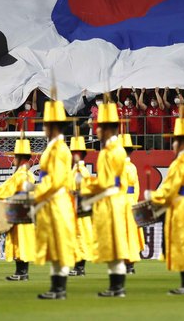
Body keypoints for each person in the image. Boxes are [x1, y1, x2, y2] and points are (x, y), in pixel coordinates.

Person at [146, 107, 184, 294]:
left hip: (181, 206)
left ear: (180, 143)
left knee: (182, 243)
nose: (172, 145)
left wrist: (152, 196)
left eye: (174, 141)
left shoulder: (179, 163)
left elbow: (170, 188)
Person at [81, 100, 134, 297]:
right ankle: (116, 286)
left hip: (111, 202)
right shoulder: (115, 150)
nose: (96, 131)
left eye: (99, 127)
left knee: (114, 244)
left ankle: (117, 287)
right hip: (113, 200)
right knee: (113, 245)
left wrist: (85, 186)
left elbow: (105, 182)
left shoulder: (110, 152)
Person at [31, 99, 76, 299]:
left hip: (56, 200)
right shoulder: (55, 147)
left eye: (46, 124)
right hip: (52, 200)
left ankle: (59, 288)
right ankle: (57, 288)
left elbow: (55, 180)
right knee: (55, 245)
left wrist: (36, 194)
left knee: (59, 244)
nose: (44, 128)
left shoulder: (58, 149)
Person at [0, 136, 36, 281]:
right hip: (27, 210)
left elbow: (5, 190)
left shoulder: (20, 175)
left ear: (20, 158)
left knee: (20, 241)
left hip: (19, 210)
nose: (13, 160)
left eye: (15, 157)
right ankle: (21, 272)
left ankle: (22, 273)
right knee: (23, 240)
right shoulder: (29, 174)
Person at [68, 130, 94, 277]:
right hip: (76, 208)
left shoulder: (80, 171)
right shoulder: (78, 170)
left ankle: (80, 267)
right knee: (77, 237)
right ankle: (78, 266)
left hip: (78, 208)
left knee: (80, 237)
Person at [119, 132, 143, 275]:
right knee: (132, 234)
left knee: (122, 233)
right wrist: (134, 201)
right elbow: (137, 188)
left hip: (122, 203)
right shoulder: (132, 167)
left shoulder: (120, 167)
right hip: (131, 201)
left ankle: (124, 264)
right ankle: (130, 266)